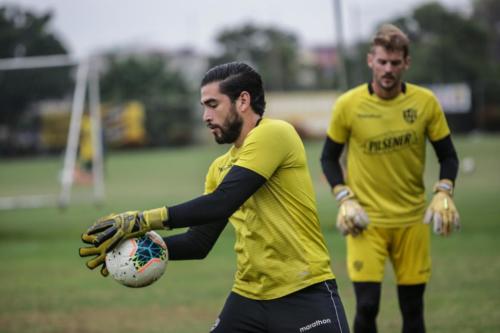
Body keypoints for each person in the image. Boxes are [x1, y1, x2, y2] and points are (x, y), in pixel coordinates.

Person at [80, 62, 350, 333]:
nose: (205, 116)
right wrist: (135, 250)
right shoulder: (219, 168)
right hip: (248, 297)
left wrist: (140, 220)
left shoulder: (275, 133)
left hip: (304, 292)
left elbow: (223, 201)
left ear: (243, 100)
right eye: (203, 106)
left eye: (213, 104)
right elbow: (198, 242)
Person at [320, 24, 460, 333]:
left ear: (406, 64)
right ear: (370, 60)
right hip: (365, 222)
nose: (388, 69)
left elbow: (448, 156)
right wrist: (343, 196)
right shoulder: (348, 105)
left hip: (412, 220)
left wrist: (444, 191)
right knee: (367, 306)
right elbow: (328, 158)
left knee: (413, 307)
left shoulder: (425, 103)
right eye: (382, 61)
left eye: (395, 63)